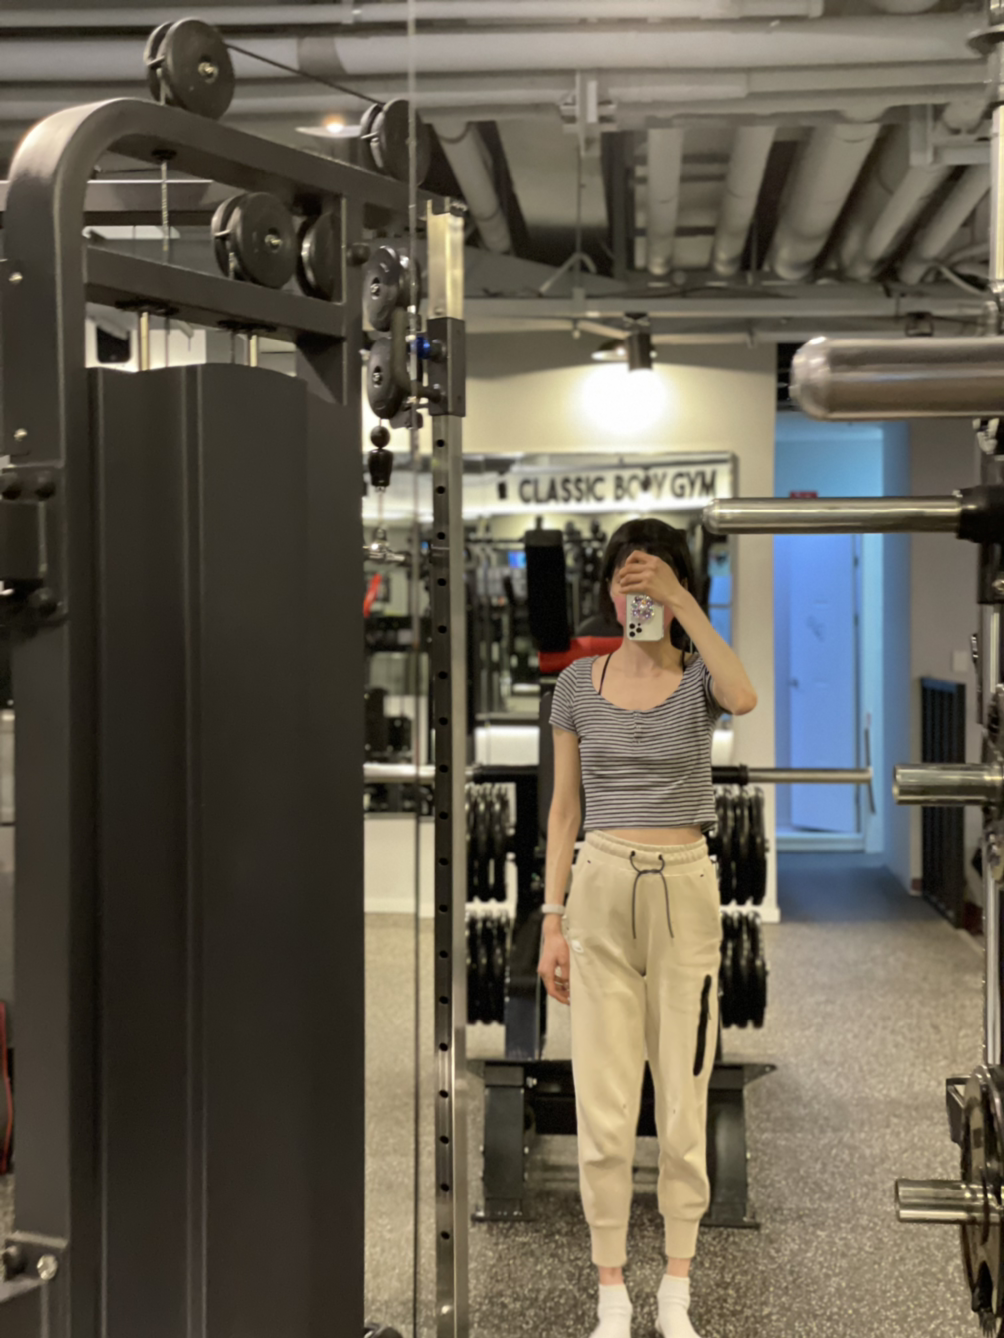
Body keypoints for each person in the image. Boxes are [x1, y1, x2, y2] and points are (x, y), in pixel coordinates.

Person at [538, 518, 757, 1338]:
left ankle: (676, 1289)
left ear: (679, 590)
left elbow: (744, 697)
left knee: (683, 1096)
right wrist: (551, 921)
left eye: (656, 582)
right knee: (602, 1102)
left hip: (685, 888)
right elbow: (564, 811)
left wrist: (684, 606)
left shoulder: (700, 678)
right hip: (599, 884)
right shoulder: (576, 684)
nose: (641, 597)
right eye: (629, 582)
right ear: (608, 591)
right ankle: (610, 1294)